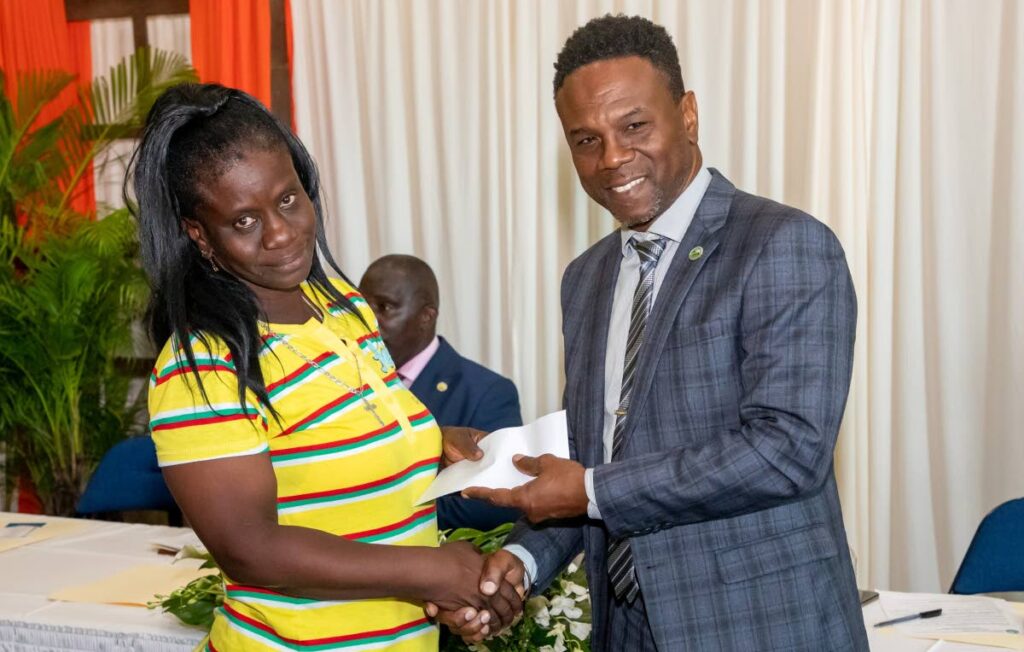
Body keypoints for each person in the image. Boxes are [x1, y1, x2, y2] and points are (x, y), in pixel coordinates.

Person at [451, 14, 869, 651]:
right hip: (628, 632)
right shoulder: (585, 279)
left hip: (759, 628)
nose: (612, 158)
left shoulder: (784, 244)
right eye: (586, 140)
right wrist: (524, 562)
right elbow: (600, 466)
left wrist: (588, 487)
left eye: (634, 126)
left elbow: (787, 450)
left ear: (689, 114)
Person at [129, 83, 521, 651]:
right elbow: (250, 549)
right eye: (244, 221)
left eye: (288, 199)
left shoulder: (343, 307)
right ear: (200, 235)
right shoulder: (203, 366)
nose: (282, 233)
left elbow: (337, 447)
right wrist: (432, 572)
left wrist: (434, 439)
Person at [359, 254, 523, 531]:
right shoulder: (344, 378)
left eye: (384, 307)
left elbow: (494, 505)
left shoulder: (487, 392)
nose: (368, 321)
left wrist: (372, 511)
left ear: (426, 316)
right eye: (362, 307)